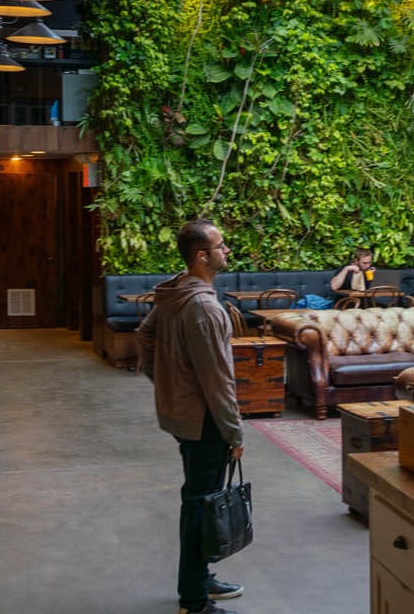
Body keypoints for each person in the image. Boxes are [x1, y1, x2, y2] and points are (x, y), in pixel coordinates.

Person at [135, 220, 246, 614]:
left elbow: (145, 338)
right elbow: (218, 380)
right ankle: (195, 602)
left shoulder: (175, 292)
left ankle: (201, 579)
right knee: (201, 507)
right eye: (221, 245)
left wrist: (166, 385)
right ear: (202, 256)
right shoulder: (203, 307)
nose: (227, 250)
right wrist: (234, 434)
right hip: (205, 423)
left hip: (183, 417)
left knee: (199, 500)